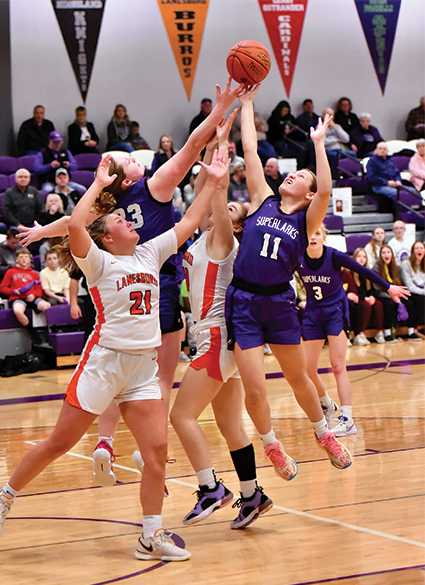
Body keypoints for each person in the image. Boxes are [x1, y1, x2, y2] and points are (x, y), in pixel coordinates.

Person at [0, 151, 228, 562]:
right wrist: (97, 184)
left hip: (142, 369)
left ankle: (151, 536)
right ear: (108, 236)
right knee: (61, 442)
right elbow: (77, 224)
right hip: (104, 363)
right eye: (120, 221)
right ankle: (3, 496)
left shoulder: (149, 253)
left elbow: (187, 223)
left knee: (156, 453)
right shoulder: (97, 261)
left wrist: (214, 181)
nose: (130, 222)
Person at [14, 79, 243, 484]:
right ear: (126, 179)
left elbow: (73, 222)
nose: (138, 160)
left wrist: (41, 233)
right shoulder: (152, 189)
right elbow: (191, 151)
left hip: (116, 291)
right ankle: (150, 447)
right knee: (158, 376)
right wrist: (218, 113)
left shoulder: (105, 211)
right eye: (130, 160)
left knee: (118, 371)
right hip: (158, 284)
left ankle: (105, 440)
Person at [225, 84, 351, 481]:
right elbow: (249, 151)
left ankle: (323, 434)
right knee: (256, 390)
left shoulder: (306, 220)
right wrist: (247, 105)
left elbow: (327, 188)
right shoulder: (262, 198)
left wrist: (318, 143)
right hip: (243, 301)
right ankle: (272, 447)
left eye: (301, 176)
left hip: (279, 303)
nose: (292, 174)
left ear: (308, 194)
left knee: (299, 378)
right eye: (293, 171)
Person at [170, 113, 273, 530]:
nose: (220, 204)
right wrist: (214, 141)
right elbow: (203, 190)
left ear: (236, 221)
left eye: (230, 207)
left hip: (214, 338)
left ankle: (211, 487)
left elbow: (215, 188)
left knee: (180, 417)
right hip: (221, 341)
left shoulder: (223, 239)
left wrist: (223, 144)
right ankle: (252, 496)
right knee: (230, 424)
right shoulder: (202, 236)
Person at [299, 226, 408, 438]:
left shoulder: (334, 256)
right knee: (308, 369)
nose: (313, 237)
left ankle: (347, 419)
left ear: (324, 236)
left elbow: (364, 270)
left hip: (335, 312)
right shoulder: (298, 257)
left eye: (317, 233)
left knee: (338, 365)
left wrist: (388, 287)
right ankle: (326, 404)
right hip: (312, 314)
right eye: (309, 234)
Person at [0, 248, 51, 345]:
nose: (23, 259)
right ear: (17, 259)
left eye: (26, 257)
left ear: (29, 259)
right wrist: (14, 291)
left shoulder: (34, 273)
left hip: (32, 297)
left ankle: (50, 331)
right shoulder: (10, 272)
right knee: (18, 310)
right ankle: (33, 334)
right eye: (21, 257)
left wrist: (33, 295)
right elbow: (2, 288)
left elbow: (39, 289)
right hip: (18, 298)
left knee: (47, 306)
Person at [374, 245, 421, 341]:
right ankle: (387, 333)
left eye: (388, 252)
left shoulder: (397, 268)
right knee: (389, 304)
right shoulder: (376, 269)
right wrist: (392, 297)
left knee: (410, 302)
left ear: (392, 255)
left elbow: (401, 285)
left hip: (396, 294)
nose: (386, 255)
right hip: (383, 295)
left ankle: (411, 331)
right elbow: (377, 289)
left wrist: (398, 296)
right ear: (380, 255)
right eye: (384, 253)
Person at [366, 142, 422, 216]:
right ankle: (401, 214)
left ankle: (418, 211)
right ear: (376, 150)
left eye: (384, 149)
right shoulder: (372, 162)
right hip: (380, 186)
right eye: (380, 149)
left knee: (413, 191)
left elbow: (397, 173)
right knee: (397, 194)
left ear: (387, 151)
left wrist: (398, 180)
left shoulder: (390, 160)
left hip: (395, 184)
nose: (382, 150)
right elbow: (372, 177)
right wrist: (387, 182)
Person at [350, 247, 386, 345]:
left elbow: (372, 290)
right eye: (359, 256)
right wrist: (365, 298)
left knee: (378, 304)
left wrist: (372, 297)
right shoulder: (351, 273)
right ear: (354, 258)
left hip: (366, 298)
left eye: (364, 257)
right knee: (365, 305)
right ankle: (360, 334)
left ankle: (379, 332)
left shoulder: (367, 273)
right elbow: (354, 291)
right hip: (358, 299)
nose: (362, 259)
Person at [266, 100, 306, 168]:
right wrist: (283, 132)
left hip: (291, 139)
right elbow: (272, 133)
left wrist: (293, 130)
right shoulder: (273, 119)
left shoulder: (290, 118)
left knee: (302, 147)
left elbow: (296, 127)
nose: (285, 113)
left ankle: (300, 166)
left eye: (286, 111)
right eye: (283, 111)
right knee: (285, 148)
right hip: (278, 140)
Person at [400, 241, 425, 333]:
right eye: (417, 248)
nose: (419, 250)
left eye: (421, 248)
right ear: (412, 251)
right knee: (421, 300)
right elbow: (409, 285)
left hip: (421, 291)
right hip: (408, 292)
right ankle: (413, 329)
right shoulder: (406, 264)